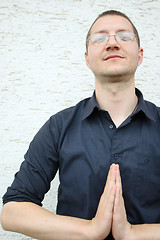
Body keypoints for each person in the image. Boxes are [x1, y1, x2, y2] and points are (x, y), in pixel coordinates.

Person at [1, 9, 160, 240]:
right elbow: (12, 211)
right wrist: (92, 230)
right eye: (100, 38)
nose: (112, 43)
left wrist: (133, 233)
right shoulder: (59, 126)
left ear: (140, 55)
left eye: (124, 36)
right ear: (87, 58)